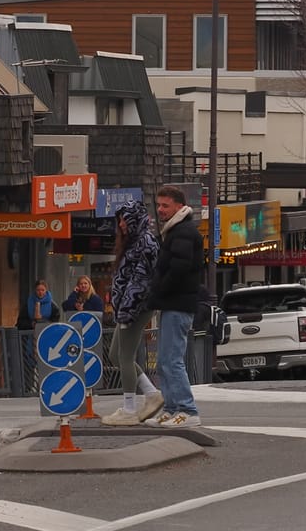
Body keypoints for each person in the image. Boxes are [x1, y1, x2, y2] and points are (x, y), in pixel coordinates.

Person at [101, 198, 166, 425]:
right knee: (115, 354)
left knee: (125, 357)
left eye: (124, 220)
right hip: (129, 309)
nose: (121, 225)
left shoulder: (146, 243)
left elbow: (141, 282)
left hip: (135, 309)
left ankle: (129, 409)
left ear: (134, 220)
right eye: (119, 221)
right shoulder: (136, 242)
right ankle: (151, 394)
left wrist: (127, 311)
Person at [146, 183, 203, 428]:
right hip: (174, 302)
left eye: (165, 205)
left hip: (178, 303)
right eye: (158, 205)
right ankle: (171, 409)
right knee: (164, 361)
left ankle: (187, 410)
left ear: (179, 206)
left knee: (171, 360)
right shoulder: (177, 230)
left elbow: (178, 268)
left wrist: (159, 289)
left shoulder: (183, 232)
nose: (160, 210)